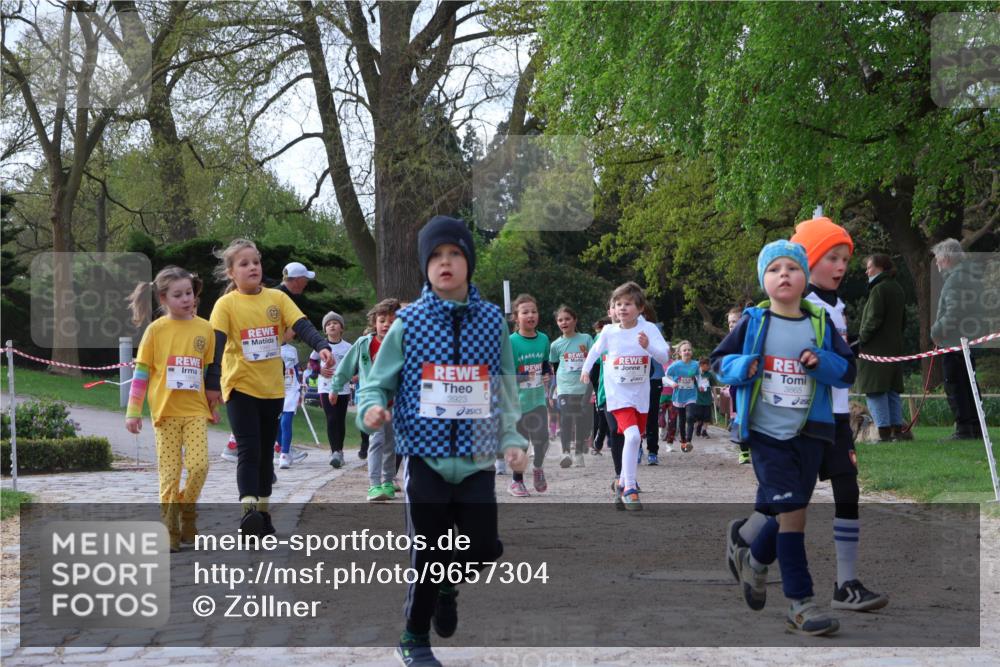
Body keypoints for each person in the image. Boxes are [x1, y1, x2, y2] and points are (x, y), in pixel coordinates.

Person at [356, 215, 528, 667]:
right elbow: (376, 384)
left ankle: (448, 584)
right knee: (427, 552)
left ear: (469, 263)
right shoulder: (408, 322)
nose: (445, 262)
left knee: (484, 547)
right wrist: (372, 410)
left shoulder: (492, 321)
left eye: (454, 254)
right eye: (436, 256)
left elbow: (506, 386)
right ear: (425, 267)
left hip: (475, 460)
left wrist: (512, 438)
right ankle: (413, 638)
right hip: (425, 461)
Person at [711, 239, 855, 636]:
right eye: (774, 270)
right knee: (793, 513)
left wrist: (819, 361)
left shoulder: (819, 323)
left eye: (791, 268)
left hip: (810, 434)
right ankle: (800, 601)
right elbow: (719, 364)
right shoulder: (754, 322)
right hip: (765, 434)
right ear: (764, 281)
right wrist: (745, 365)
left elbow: (847, 372)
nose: (784, 275)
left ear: (804, 277)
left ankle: (753, 557)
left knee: (790, 509)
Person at [205, 239, 333, 537]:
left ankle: (262, 514)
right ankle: (248, 510)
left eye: (256, 262)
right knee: (249, 450)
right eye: (244, 263)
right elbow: (216, 346)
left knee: (264, 453)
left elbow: (301, 325)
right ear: (231, 273)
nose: (253, 267)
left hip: (273, 389)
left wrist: (322, 345)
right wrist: (212, 385)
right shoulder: (226, 304)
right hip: (239, 386)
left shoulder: (276, 298)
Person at [125, 266, 217, 552]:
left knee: (200, 467)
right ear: (163, 299)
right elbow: (141, 374)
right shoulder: (155, 331)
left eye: (189, 293)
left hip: (195, 411)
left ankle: (187, 510)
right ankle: (171, 529)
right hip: (165, 414)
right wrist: (133, 411)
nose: (186, 299)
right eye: (178, 295)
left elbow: (208, 371)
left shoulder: (205, 329)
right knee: (170, 474)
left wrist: (213, 405)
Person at [582, 282, 671, 511]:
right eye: (618, 304)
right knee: (631, 438)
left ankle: (621, 484)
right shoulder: (609, 332)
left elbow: (663, 357)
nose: (622, 308)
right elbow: (595, 351)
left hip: (640, 396)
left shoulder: (648, 329)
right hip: (617, 395)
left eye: (628, 304)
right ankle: (630, 488)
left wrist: (648, 346)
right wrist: (585, 369)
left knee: (636, 438)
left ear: (640, 308)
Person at [331, 298, 402, 501]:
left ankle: (388, 481)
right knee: (377, 440)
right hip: (371, 401)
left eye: (392, 321)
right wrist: (335, 387)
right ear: (374, 322)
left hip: (395, 401)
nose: (386, 325)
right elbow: (346, 367)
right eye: (382, 320)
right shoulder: (364, 344)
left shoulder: (402, 344)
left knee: (391, 443)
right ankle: (374, 484)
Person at [930, 238, 985, 440]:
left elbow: (953, 312)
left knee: (955, 383)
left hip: (955, 341)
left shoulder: (955, 280)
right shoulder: (971, 277)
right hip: (971, 338)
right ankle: (976, 426)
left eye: (937, 259)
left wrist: (936, 330)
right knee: (969, 382)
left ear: (946, 258)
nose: (936, 263)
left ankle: (964, 428)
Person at [856, 254, 909, 442]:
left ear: (879, 268)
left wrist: (861, 339)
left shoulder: (879, 290)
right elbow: (903, 320)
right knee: (892, 390)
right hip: (894, 347)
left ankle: (883, 433)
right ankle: (898, 431)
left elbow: (874, 319)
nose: (866, 271)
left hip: (876, 350)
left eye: (869, 267)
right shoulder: (897, 288)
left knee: (876, 389)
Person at [508, 293, 552, 496]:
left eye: (534, 311)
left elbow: (544, 364)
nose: (531, 315)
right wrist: (526, 375)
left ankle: (538, 468)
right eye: (525, 312)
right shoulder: (511, 342)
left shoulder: (543, 339)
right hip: (518, 402)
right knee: (522, 444)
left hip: (538, 400)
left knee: (543, 439)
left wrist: (546, 374)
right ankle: (516, 482)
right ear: (516, 317)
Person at [550, 305, 594, 468]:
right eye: (560, 320)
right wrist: (552, 389)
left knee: (581, 420)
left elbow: (593, 362)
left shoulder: (586, 339)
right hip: (565, 388)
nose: (564, 322)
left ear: (575, 320)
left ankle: (579, 453)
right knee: (567, 418)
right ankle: (566, 452)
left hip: (583, 387)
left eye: (567, 319)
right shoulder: (555, 345)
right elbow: (555, 367)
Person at [309, 311, 353, 467]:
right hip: (325, 387)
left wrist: (352, 376)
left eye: (335, 323)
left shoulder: (349, 347)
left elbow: (354, 365)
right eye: (328, 324)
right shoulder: (320, 346)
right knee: (331, 418)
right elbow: (312, 362)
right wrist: (319, 370)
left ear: (341, 328)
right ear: (325, 330)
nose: (331, 326)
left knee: (340, 419)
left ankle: (339, 451)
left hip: (343, 388)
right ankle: (334, 451)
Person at [666, 340, 699, 452]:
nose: (687, 352)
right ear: (680, 353)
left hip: (691, 395)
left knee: (690, 417)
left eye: (689, 350)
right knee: (682, 420)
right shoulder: (675, 366)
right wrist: (672, 383)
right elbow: (665, 376)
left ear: (692, 352)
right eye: (684, 350)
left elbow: (700, 377)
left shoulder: (695, 364)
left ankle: (689, 441)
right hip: (679, 396)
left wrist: (701, 385)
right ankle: (683, 442)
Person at [277, 331, 302, 469]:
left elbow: (296, 369)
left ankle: (284, 454)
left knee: (286, 422)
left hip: (291, 389)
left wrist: (300, 390)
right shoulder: (268, 347)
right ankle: (283, 448)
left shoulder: (293, 350)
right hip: (274, 389)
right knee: (276, 423)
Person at [693, 357, 716, 438]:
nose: (709, 367)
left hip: (707, 399)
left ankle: (704, 431)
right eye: (707, 365)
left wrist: (715, 398)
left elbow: (713, 387)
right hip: (698, 399)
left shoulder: (710, 375)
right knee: (698, 416)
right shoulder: (695, 374)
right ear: (701, 365)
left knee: (707, 417)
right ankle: (698, 427)